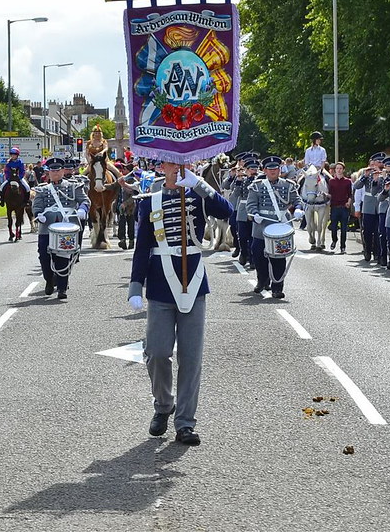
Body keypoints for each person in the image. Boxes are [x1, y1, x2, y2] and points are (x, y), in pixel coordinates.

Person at [127, 160, 233, 446]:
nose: (177, 169)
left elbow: (227, 212)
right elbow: (142, 246)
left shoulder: (198, 196)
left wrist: (200, 185)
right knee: (157, 351)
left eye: (182, 163)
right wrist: (136, 284)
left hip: (194, 282)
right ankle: (163, 404)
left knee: (191, 357)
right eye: (172, 164)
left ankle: (185, 422)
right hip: (161, 284)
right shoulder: (151, 202)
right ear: (163, 166)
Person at [246, 155, 304, 299]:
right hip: (261, 227)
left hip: (281, 225)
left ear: (279, 170)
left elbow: (297, 200)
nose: (273, 171)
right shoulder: (257, 185)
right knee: (258, 254)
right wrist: (255, 214)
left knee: (279, 257)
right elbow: (251, 204)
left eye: (276, 169)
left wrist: (298, 208)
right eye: (270, 169)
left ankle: (277, 287)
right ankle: (262, 279)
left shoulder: (288, 185)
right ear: (265, 170)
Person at [32, 157, 89, 299]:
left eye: (58, 170)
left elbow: (85, 200)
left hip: (67, 226)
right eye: (52, 171)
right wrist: (39, 215)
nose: (55, 173)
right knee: (44, 257)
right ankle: (49, 279)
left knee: (63, 256)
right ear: (48, 173)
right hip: (47, 228)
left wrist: (83, 209)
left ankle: (62, 288)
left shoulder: (74, 186)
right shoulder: (42, 189)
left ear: (63, 171)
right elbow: (37, 206)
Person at [354, 154, 386, 262]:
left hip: (381, 203)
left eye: (381, 162)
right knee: (367, 230)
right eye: (376, 162)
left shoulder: (386, 173)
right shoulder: (367, 173)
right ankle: (367, 250)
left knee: (378, 231)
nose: (378, 164)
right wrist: (365, 176)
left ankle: (377, 253)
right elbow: (356, 186)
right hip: (368, 203)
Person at [326, 162, 353, 254]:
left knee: (344, 229)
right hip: (334, 207)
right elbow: (330, 193)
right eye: (337, 168)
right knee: (333, 227)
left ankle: (343, 246)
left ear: (343, 170)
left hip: (344, 207)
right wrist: (325, 195)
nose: (339, 170)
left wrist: (348, 202)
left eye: (340, 168)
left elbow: (350, 194)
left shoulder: (348, 181)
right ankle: (334, 240)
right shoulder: (331, 181)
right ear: (335, 170)